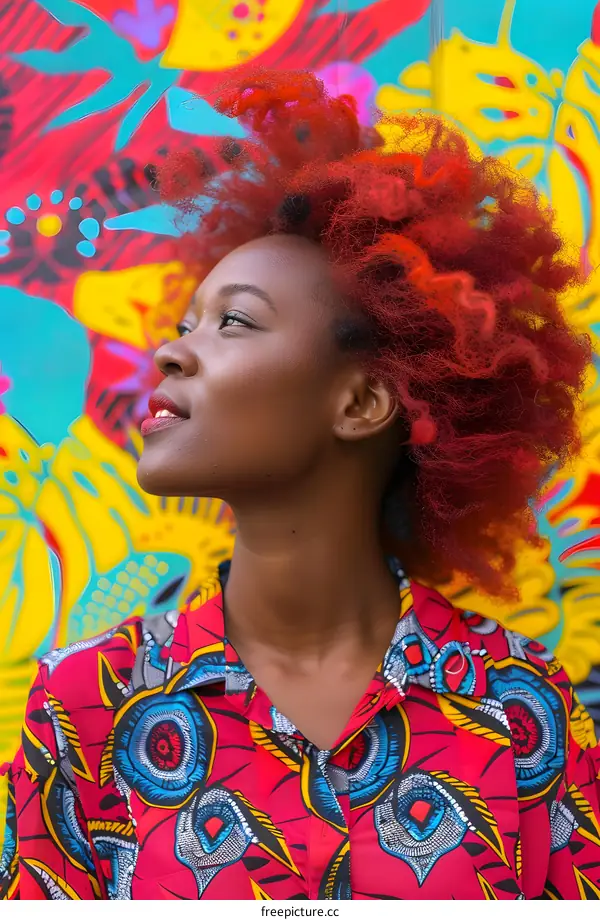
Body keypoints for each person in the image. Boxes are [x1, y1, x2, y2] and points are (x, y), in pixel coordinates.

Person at [2, 69, 600, 901]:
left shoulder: (517, 703)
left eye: (235, 322)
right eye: (183, 326)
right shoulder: (87, 705)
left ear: (360, 401)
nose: (171, 353)